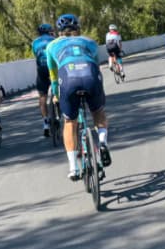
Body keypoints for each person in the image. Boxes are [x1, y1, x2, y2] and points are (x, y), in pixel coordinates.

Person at [46, 14, 111, 180]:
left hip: (68, 79)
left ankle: (74, 167)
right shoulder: (89, 42)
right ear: (78, 29)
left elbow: (53, 75)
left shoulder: (51, 46)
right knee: (98, 112)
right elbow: (96, 66)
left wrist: (56, 94)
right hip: (90, 75)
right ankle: (102, 142)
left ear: (58, 31)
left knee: (69, 122)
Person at [32, 24, 55, 136]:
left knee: (42, 97)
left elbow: (36, 55)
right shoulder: (54, 40)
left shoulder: (35, 42)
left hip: (41, 70)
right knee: (60, 90)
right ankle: (59, 110)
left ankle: (45, 122)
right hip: (53, 69)